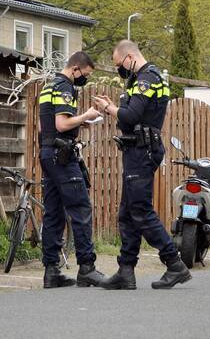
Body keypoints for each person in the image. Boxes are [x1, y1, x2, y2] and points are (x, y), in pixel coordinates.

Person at [92, 40, 191, 290]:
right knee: (127, 213)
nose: (119, 70)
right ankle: (126, 270)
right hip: (137, 149)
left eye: (118, 65)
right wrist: (115, 108)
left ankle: (174, 263)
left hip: (142, 151)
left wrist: (110, 108)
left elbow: (131, 115)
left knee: (141, 210)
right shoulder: (143, 79)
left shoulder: (147, 79)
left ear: (129, 58)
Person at [37, 52, 107, 289]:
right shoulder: (65, 87)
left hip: (48, 153)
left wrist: (79, 122)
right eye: (85, 75)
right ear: (76, 68)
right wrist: (86, 116)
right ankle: (87, 268)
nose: (84, 80)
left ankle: (51, 271)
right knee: (80, 208)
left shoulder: (49, 86)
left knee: (54, 212)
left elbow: (49, 125)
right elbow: (62, 124)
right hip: (62, 157)